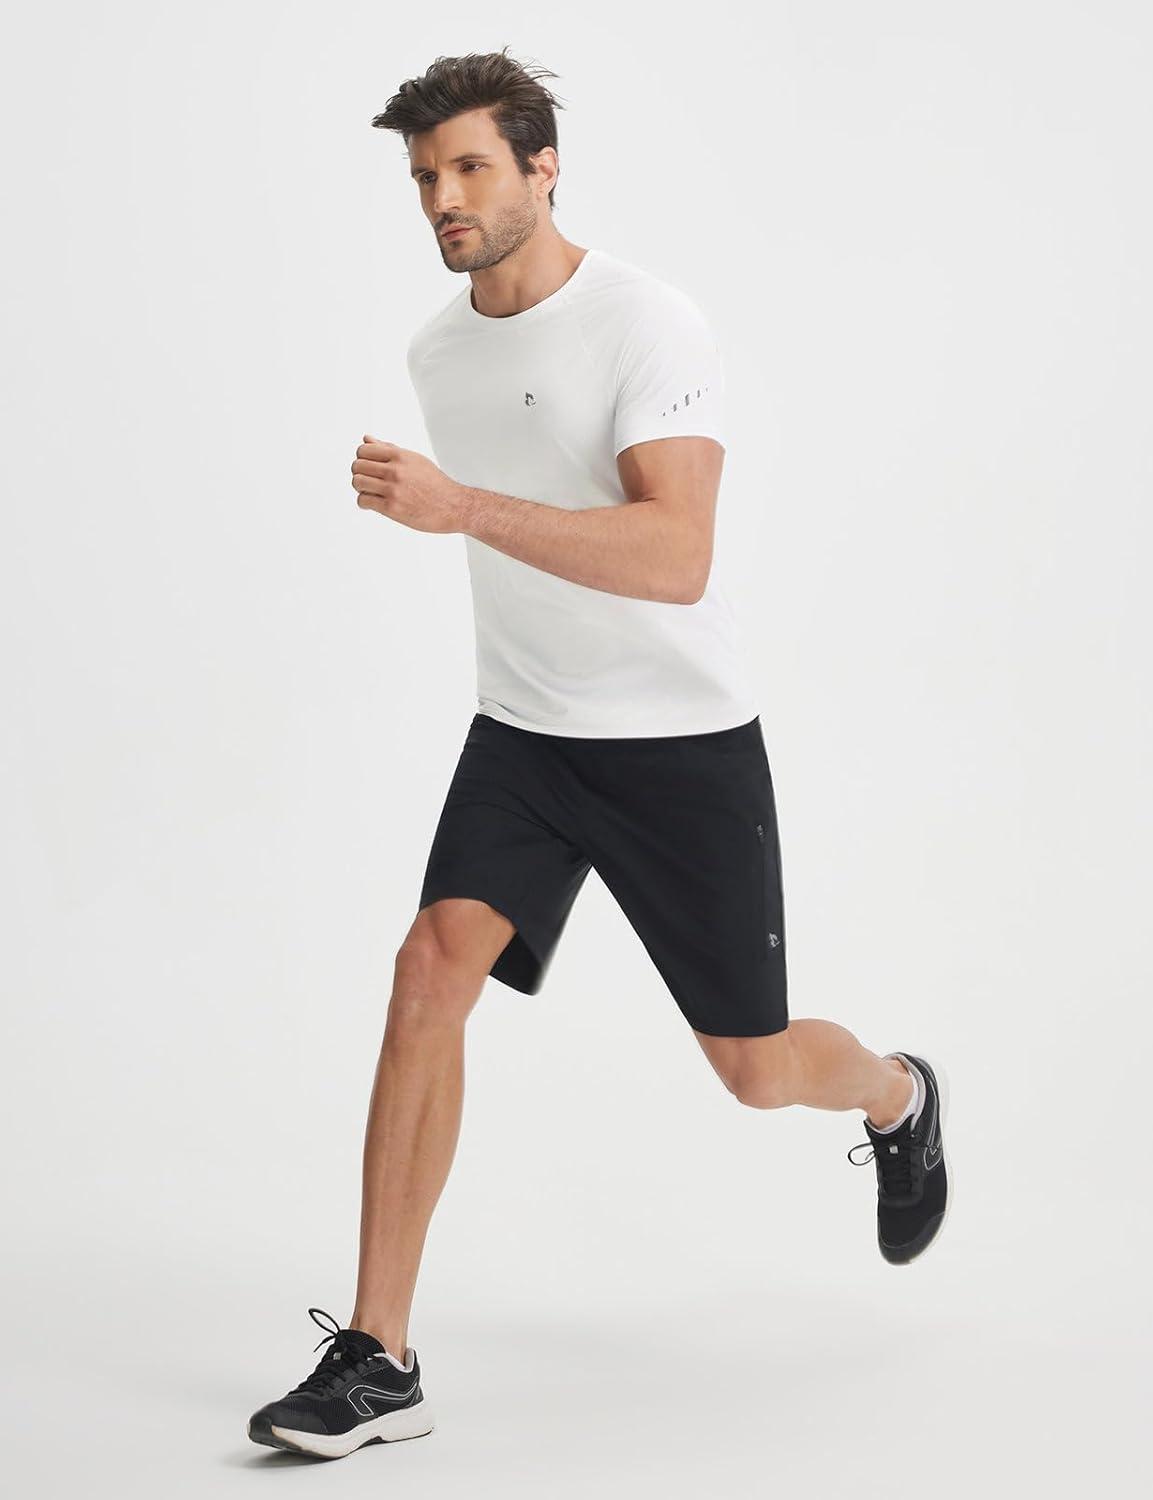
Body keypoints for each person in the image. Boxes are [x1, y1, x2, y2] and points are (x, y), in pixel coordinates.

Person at [247, 46, 951, 1462]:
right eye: (424, 176)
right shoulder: (440, 349)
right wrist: (460, 512)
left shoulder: (647, 324)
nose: (443, 199)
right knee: (427, 973)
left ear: (543, 167)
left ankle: (898, 1094)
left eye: (470, 167)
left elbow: (676, 556)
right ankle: (380, 1357)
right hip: (522, 734)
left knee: (753, 1069)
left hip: (676, 745)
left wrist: (459, 508)